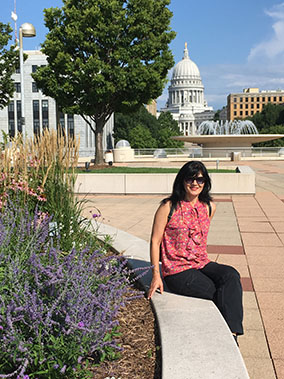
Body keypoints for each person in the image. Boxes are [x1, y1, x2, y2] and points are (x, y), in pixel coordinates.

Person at [147, 161, 243, 342]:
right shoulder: (169, 206)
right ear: (182, 180)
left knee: (231, 276)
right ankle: (229, 339)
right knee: (215, 290)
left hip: (202, 263)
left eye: (200, 179)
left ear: (205, 182)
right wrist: (156, 275)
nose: (195, 183)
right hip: (177, 270)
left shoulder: (209, 207)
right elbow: (155, 240)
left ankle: (231, 334)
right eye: (190, 178)